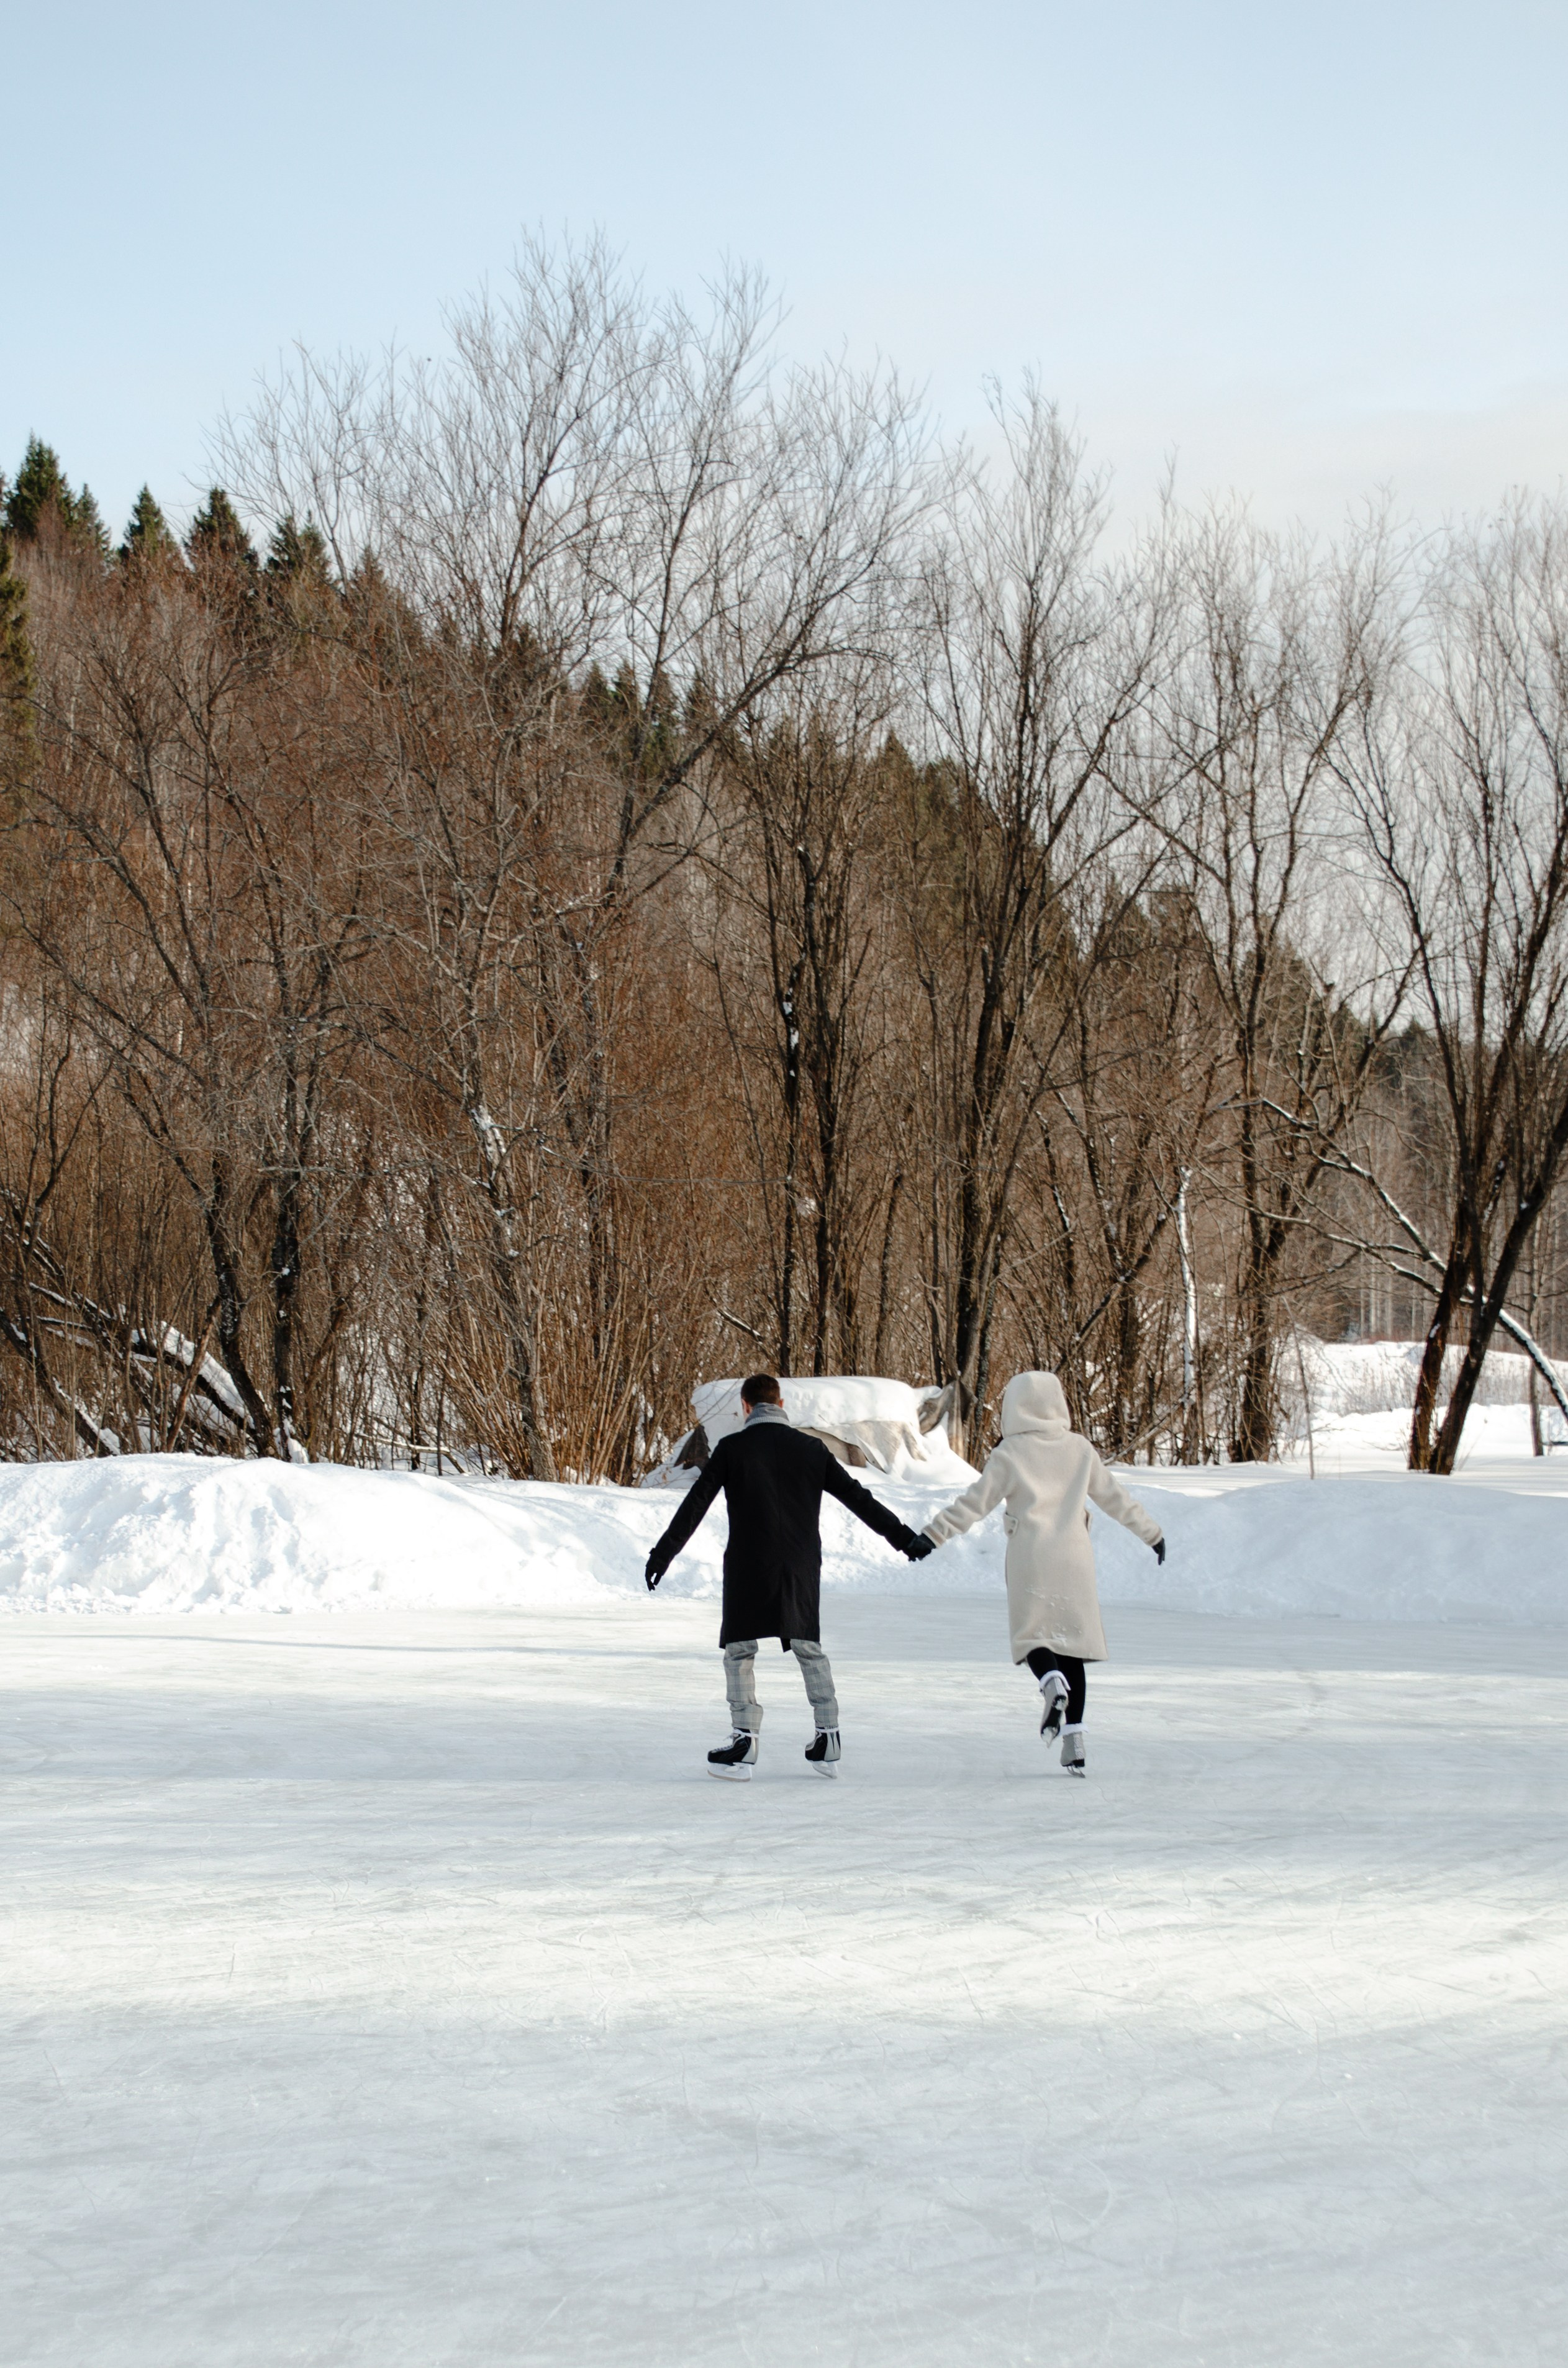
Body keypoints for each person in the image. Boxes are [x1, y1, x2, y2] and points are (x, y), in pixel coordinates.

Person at [645, 1372, 934, 1780]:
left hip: (748, 1564)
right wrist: (905, 1539)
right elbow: (860, 1499)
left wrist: (662, 1554)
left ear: (745, 1406)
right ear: (781, 1404)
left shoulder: (732, 1449)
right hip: (799, 1564)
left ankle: (744, 1741)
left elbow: (693, 1507)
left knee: (740, 1650)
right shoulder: (811, 1449)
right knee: (807, 1646)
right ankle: (828, 1735)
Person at [918, 1369, 1164, 1777]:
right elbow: (1115, 1499)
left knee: (1034, 1636)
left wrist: (931, 1535)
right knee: (1071, 1646)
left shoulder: (1010, 1453)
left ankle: (1050, 1683)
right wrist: (1152, 1534)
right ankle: (1074, 1743)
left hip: (1031, 1555)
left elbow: (973, 1504)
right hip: (1075, 1557)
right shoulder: (1079, 1449)